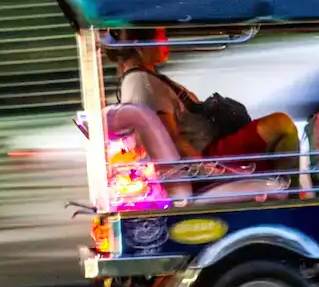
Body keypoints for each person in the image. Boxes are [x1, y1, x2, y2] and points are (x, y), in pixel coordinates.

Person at [105, 28, 301, 187]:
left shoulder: (144, 79)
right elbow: (173, 140)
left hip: (210, 150)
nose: (167, 42)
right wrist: (212, 169)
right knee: (281, 124)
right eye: (162, 35)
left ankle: (280, 188)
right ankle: (291, 197)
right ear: (140, 46)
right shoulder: (141, 83)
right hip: (207, 156)